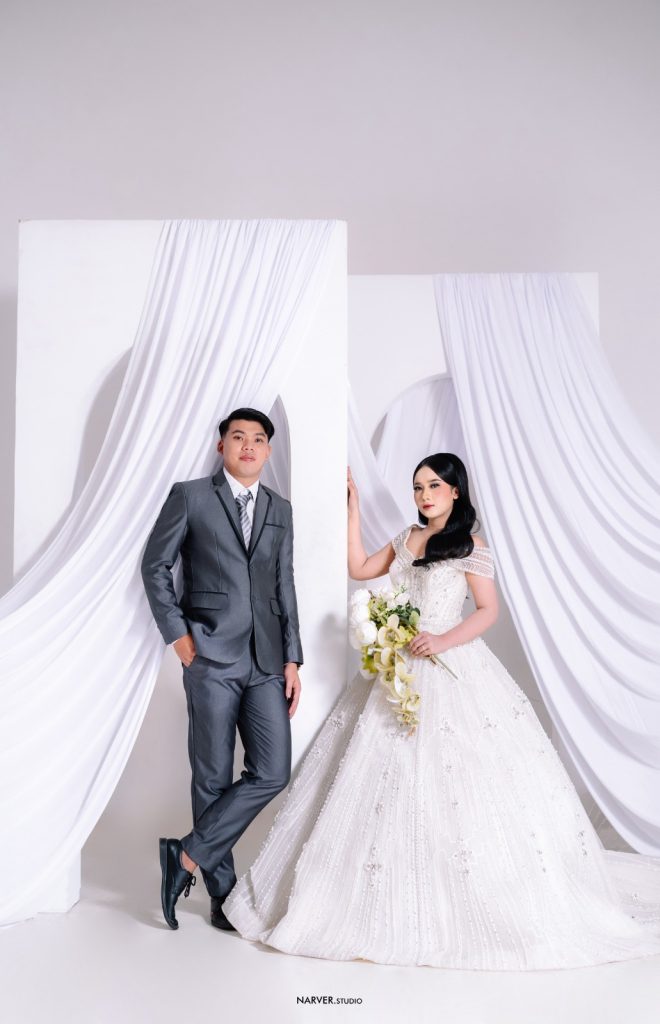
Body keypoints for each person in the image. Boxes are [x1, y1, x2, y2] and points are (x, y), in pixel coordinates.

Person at [222, 453, 660, 969]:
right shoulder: (407, 538)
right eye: (417, 487)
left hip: (449, 662)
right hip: (396, 667)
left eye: (434, 486)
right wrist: (354, 510)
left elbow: (488, 611)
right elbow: (359, 569)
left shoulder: (471, 545)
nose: (424, 495)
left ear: (455, 491)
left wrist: (442, 640)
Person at [140, 407, 303, 931]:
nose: (248, 446)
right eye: (238, 437)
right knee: (211, 775)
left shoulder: (280, 508)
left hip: (267, 660)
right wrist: (178, 636)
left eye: (258, 439)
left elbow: (284, 584)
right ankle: (222, 895)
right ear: (222, 446)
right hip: (208, 654)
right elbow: (155, 565)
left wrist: (292, 658)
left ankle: (185, 856)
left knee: (272, 772)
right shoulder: (190, 497)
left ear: (268, 451)